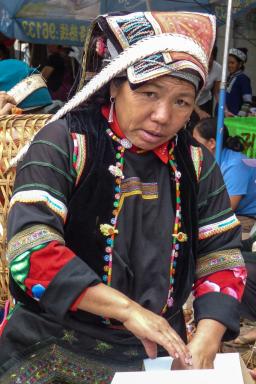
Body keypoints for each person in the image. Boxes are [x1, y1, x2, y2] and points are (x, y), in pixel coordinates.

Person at [0, 12, 246, 383]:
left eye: (182, 102)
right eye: (148, 93)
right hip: (53, 346)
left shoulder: (195, 162)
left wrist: (207, 338)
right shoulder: (64, 144)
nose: (162, 116)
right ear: (114, 84)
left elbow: (221, 252)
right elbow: (30, 249)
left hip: (157, 357)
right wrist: (129, 311)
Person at [193, 117, 256, 235]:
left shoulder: (235, 164)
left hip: (246, 217)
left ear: (212, 143)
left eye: (196, 141)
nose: (192, 146)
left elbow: (228, 208)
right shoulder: (208, 160)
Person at [194, 46, 221, 119]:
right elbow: (190, 94)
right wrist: (199, 112)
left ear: (214, 57)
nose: (207, 60)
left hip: (205, 101)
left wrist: (224, 109)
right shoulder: (195, 67)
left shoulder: (218, 68)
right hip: (191, 101)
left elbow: (217, 92)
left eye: (210, 57)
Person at [225, 47, 252, 117]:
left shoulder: (243, 79)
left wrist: (239, 118)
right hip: (222, 116)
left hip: (233, 118)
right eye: (228, 62)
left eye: (232, 63)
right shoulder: (229, 77)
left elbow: (247, 101)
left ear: (240, 64)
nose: (229, 65)